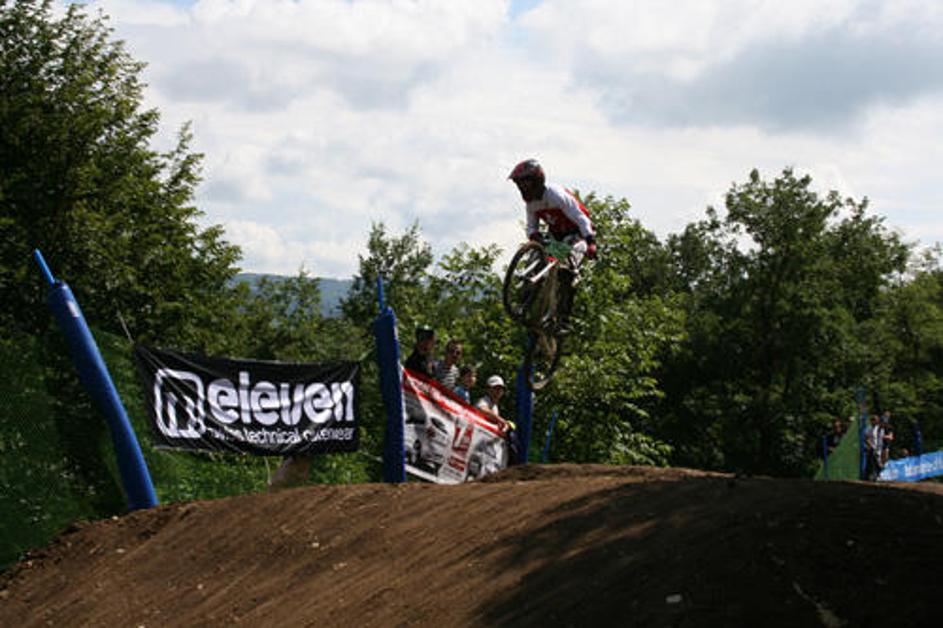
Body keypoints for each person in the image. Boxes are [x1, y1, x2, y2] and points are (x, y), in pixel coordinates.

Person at [508, 158, 597, 331]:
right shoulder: (531, 203)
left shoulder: (556, 195)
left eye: (525, 183)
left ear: (536, 180)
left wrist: (591, 242)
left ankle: (563, 320)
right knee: (536, 260)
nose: (522, 188)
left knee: (567, 272)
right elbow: (531, 226)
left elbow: (581, 218)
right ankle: (524, 303)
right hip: (556, 237)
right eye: (519, 185)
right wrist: (535, 237)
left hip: (578, 234)